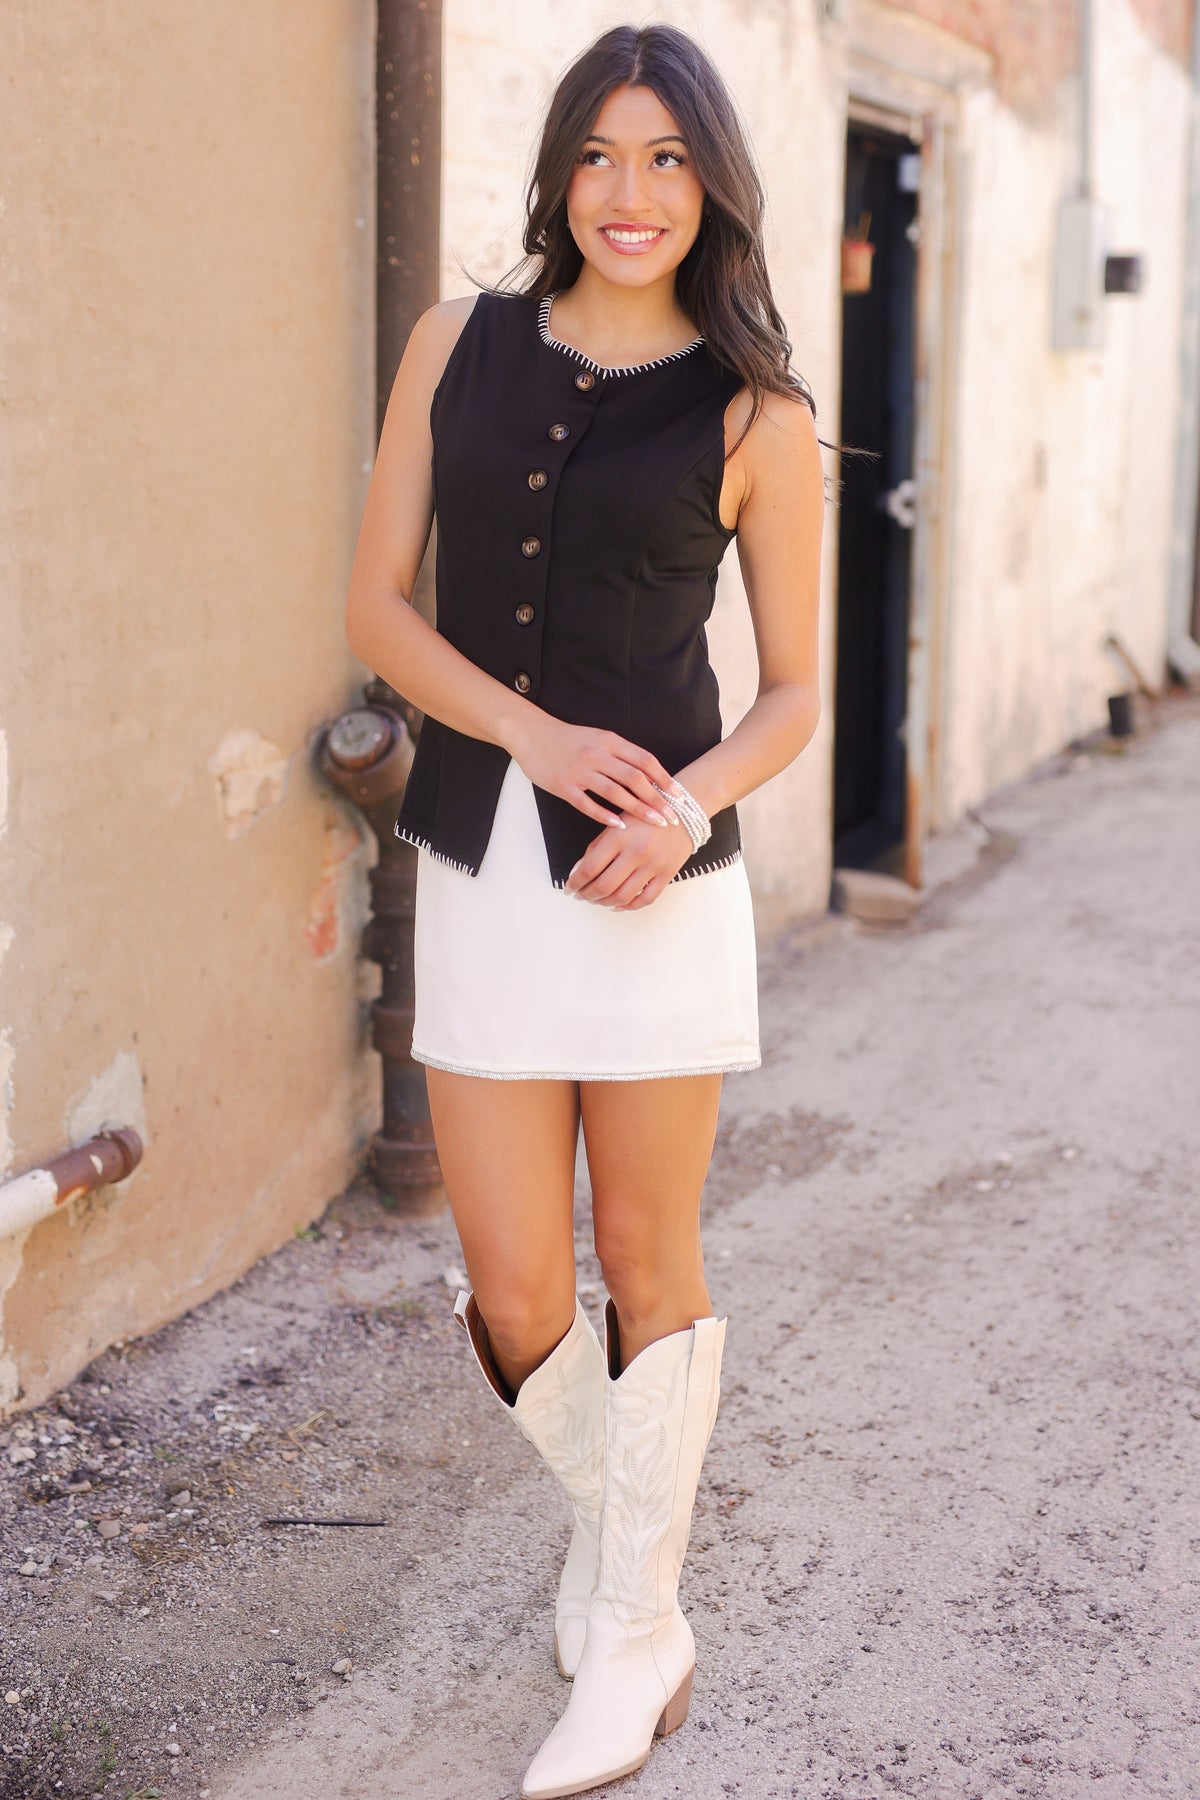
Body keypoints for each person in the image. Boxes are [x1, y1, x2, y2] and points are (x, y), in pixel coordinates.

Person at [344, 22, 825, 1798]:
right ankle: (629, 1534)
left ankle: (632, 1631)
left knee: (648, 1258)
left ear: (711, 189)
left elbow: (791, 695)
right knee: (513, 1282)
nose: (634, 195)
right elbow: (380, 607)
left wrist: (686, 801)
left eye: (670, 162)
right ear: (559, 171)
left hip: (653, 881)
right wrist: (533, 734)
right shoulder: (450, 347)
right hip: (481, 863)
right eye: (605, 156)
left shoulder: (755, 409)